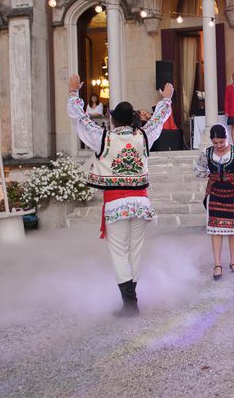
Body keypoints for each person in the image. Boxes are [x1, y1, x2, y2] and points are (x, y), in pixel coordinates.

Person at [67, 75, 174, 317]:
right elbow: (159, 119)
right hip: (140, 202)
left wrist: (74, 93)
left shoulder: (105, 137)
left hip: (116, 203)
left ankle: (129, 303)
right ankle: (131, 300)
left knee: (119, 253)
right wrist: (166, 99)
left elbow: (80, 120)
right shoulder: (144, 136)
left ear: (113, 120)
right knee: (134, 250)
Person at [194, 124, 234, 280]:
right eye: (215, 143)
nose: (219, 146)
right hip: (215, 193)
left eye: (221, 142)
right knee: (216, 229)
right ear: (211, 141)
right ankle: (217, 264)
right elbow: (198, 171)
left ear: (227, 138)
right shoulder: (206, 153)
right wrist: (210, 174)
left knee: (233, 229)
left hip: (233, 193)